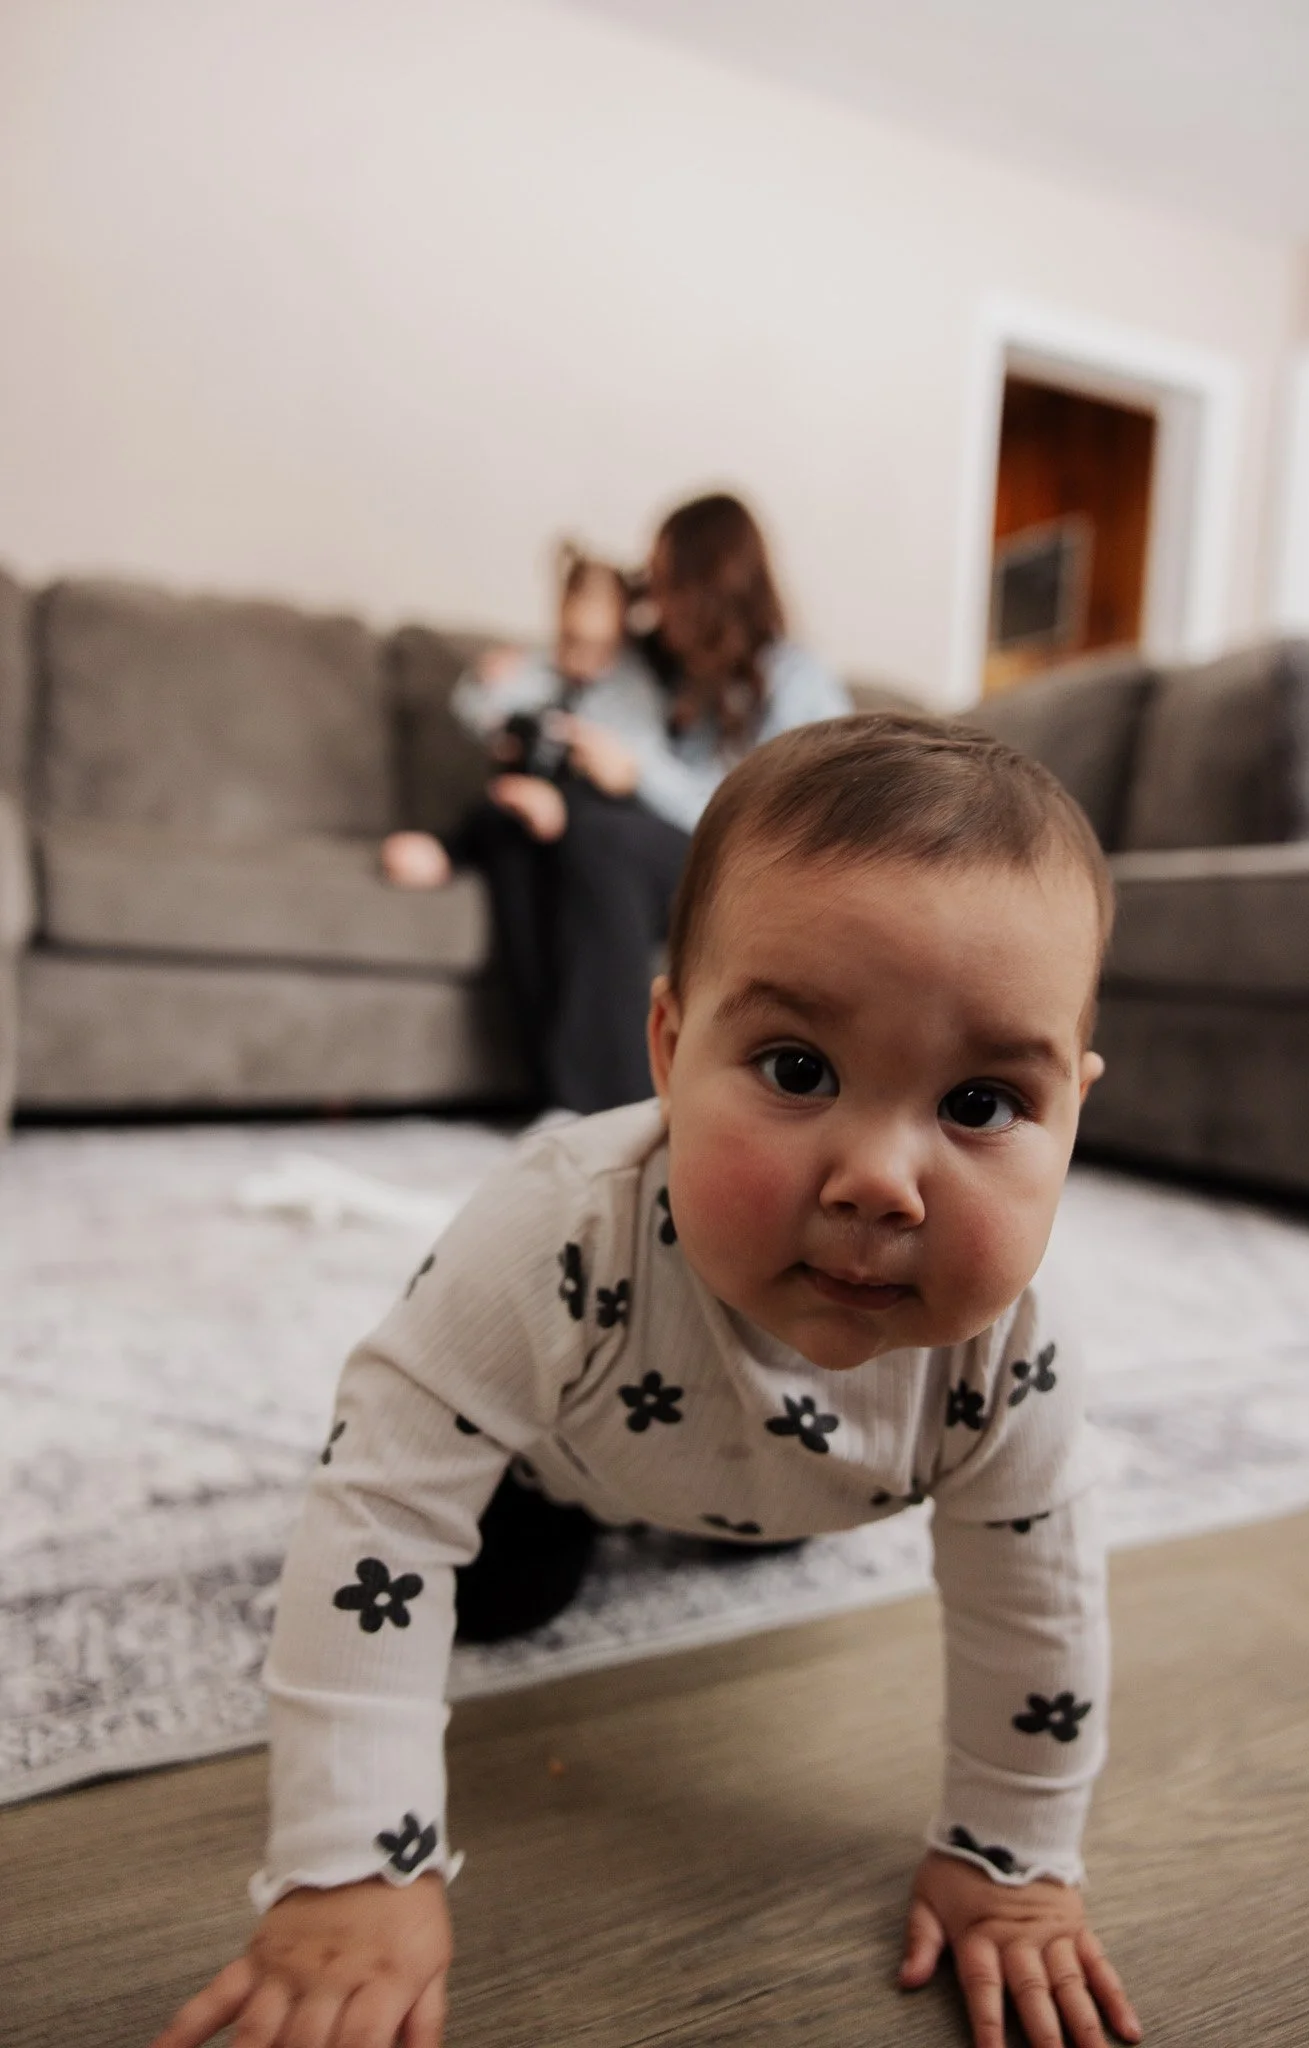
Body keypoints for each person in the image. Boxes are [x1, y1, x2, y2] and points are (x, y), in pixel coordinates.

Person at [153, 713, 1144, 2048]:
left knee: (768, 1536)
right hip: (557, 1457)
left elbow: (1036, 1607)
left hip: (793, 1474)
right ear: (668, 1050)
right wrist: (350, 1867)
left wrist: (1014, 1858)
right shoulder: (554, 1229)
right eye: (796, 1071)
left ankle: (735, 1507)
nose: (880, 1183)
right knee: (500, 1592)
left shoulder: (1016, 1344)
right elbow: (378, 1505)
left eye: (979, 1106)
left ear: (1072, 1114)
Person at [385, 495, 849, 1114]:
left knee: (597, 834)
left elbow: (764, 816)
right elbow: (579, 659)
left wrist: (636, 773)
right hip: (649, 850)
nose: (653, 601)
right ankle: (554, 1098)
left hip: (736, 863)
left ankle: (614, 1112)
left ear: (705, 583)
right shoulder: (665, 667)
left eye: (665, 582)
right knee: (531, 829)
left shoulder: (795, 681)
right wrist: (509, 676)